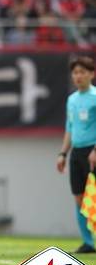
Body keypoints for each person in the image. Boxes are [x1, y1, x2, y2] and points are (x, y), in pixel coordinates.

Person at [57, 56, 96, 254]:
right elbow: (69, 128)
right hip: (77, 153)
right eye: (75, 72)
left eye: (82, 72)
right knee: (79, 199)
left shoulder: (95, 97)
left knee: (94, 198)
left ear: (92, 74)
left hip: (93, 151)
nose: (78, 76)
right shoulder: (71, 100)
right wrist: (63, 153)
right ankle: (88, 242)